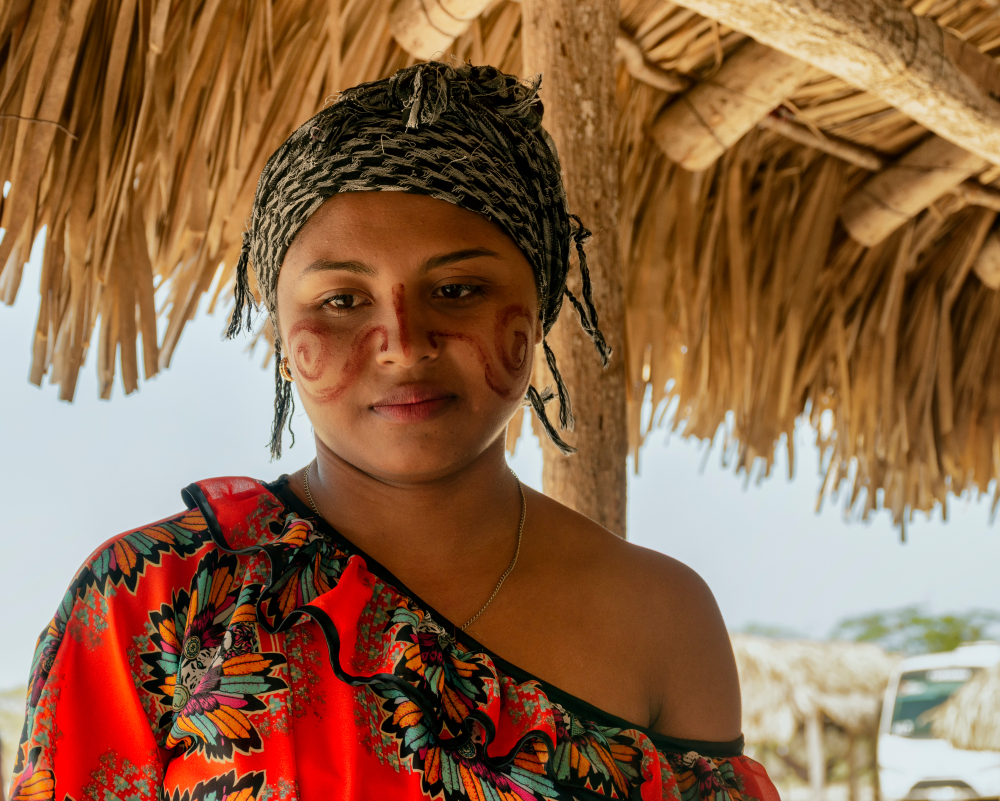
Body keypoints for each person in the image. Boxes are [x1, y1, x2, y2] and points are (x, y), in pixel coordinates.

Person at [11, 62, 778, 801]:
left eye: (459, 288)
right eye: (343, 300)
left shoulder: (661, 619)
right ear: (282, 335)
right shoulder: (150, 600)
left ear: (539, 306)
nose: (405, 344)